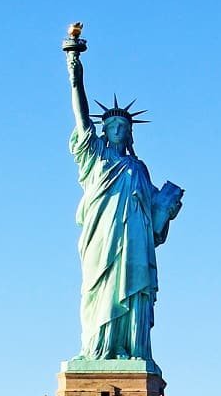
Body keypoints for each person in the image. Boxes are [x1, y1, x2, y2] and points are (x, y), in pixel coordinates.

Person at [65, 37, 183, 362]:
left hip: (134, 242)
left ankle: (132, 349)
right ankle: (98, 349)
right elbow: (81, 117)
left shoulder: (139, 168)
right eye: (112, 124)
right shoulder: (95, 157)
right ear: (103, 131)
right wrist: (75, 72)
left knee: (133, 292)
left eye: (123, 125)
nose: (117, 129)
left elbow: (155, 220)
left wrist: (167, 208)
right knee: (99, 290)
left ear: (130, 133)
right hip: (102, 239)